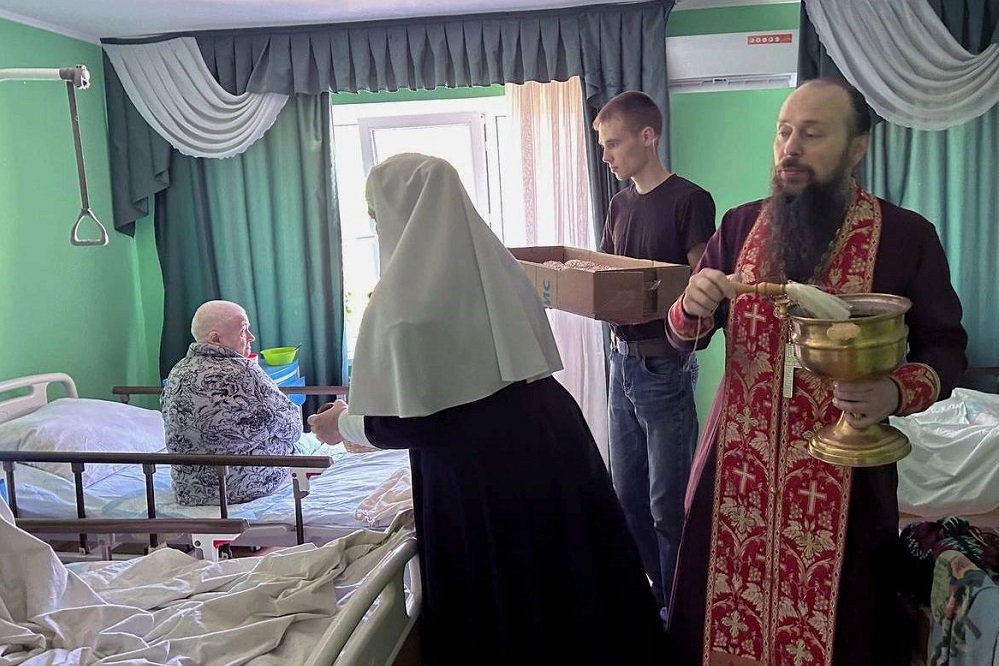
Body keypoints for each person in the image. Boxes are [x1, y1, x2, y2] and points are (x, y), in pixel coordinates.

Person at [308, 153, 667, 665]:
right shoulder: (498, 267)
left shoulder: (403, 307)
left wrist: (341, 423)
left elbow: (412, 419)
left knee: (505, 596)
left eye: (376, 214)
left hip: (478, 469)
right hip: (551, 435)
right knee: (570, 574)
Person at [665, 78, 968, 665]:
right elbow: (684, 336)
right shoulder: (739, 226)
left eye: (812, 134)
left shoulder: (905, 237)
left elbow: (945, 346)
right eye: (783, 132)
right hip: (736, 475)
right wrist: (691, 305)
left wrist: (893, 392)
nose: (791, 148)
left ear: (857, 147)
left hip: (847, 486)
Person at [593, 90, 717, 618]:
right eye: (602, 145)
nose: (606, 156)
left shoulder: (690, 200)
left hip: (664, 365)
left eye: (613, 143)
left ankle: (680, 613)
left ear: (648, 136)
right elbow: (608, 279)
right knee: (627, 496)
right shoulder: (619, 206)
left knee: (668, 505)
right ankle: (660, 597)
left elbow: (702, 288)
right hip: (620, 362)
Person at [162, 300, 303, 506]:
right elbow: (293, 427)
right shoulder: (245, 371)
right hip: (240, 488)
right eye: (243, 331)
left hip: (190, 491)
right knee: (297, 446)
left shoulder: (177, 371)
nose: (251, 337)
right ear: (216, 339)